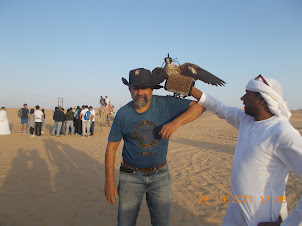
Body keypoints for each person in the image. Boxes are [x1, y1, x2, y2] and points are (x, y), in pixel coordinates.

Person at [190, 75, 302, 226]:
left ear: (262, 99)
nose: (242, 98)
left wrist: (289, 224)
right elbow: (220, 108)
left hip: (262, 218)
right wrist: (190, 89)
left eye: (247, 94)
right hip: (236, 209)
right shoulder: (246, 121)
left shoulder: (282, 133)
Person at [104, 68, 204, 225]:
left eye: (144, 88)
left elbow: (200, 107)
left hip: (160, 176)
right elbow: (111, 148)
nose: (140, 92)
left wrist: (175, 123)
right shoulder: (123, 114)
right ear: (129, 89)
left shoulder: (166, 104)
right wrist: (109, 182)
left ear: (152, 89)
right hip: (130, 177)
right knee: (125, 223)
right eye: (136, 88)